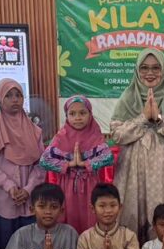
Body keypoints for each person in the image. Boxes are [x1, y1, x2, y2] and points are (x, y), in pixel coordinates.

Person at [110, 49, 164, 244]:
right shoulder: (128, 98)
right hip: (132, 171)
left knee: (162, 212)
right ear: (137, 70)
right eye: (144, 68)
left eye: (156, 68)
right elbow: (117, 135)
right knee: (131, 213)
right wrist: (143, 118)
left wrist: (159, 119)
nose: (150, 73)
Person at [0, 78, 46, 249]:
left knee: (29, 243)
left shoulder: (35, 131)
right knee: (3, 244)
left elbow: (41, 165)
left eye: (18, 95)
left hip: (29, 198)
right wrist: (10, 186)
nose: (14, 100)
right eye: (9, 95)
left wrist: (28, 189)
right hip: (3, 198)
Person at [40, 95, 113, 233]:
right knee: (68, 219)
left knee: (90, 219)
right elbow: (44, 161)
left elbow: (108, 157)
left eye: (82, 113)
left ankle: (88, 246)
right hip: (66, 186)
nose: (77, 117)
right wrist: (68, 164)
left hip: (90, 184)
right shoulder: (61, 137)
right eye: (72, 114)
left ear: (90, 114)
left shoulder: (95, 135)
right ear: (66, 116)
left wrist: (86, 164)